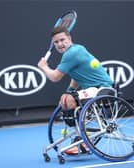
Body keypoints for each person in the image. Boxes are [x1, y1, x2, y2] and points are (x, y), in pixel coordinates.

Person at [38, 26, 113, 155]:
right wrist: (69, 91)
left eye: (62, 40)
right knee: (66, 98)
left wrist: (44, 67)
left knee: (69, 100)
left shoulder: (72, 53)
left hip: (102, 88)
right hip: (92, 89)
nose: (59, 44)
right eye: (56, 42)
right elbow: (77, 77)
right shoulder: (73, 52)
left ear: (69, 38)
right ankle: (82, 138)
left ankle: (84, 140)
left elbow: (55, 77)